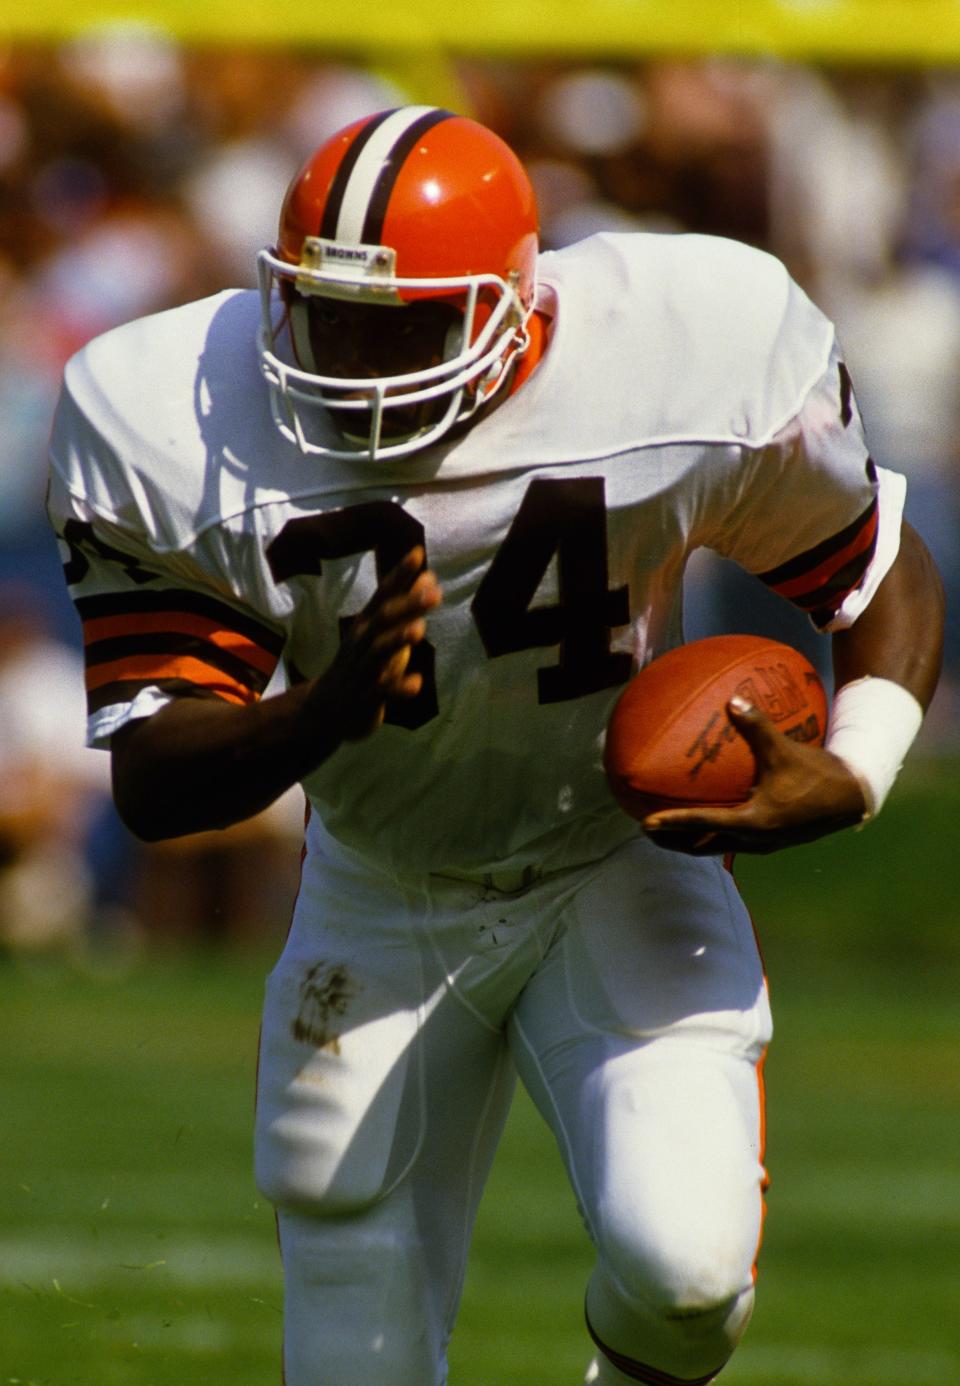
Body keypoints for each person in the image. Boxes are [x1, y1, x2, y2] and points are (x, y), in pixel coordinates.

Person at [46, 105, 944, 1386]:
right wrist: (315, 713)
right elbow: (151, 775)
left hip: (613, 853)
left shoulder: (684, 350)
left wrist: (856, 769)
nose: (350, 359)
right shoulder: (167, 417)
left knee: (685, 1275)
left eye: (396, 323)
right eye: (322, 314)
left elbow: (873, 569)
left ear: (514, 305)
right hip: (383, 882)